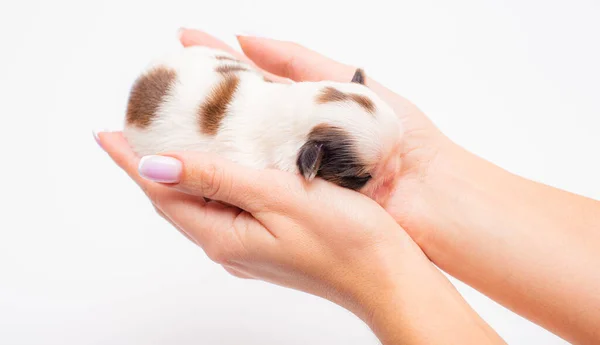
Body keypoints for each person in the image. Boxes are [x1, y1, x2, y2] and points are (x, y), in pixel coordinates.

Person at [94, 29, 600, 345]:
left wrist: (377, 276)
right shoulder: (258, 160)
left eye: (397, 156)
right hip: (182, 94)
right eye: (369, 177)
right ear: (305, 163)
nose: (392, 178)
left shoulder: (293, 123)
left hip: (199, 79)